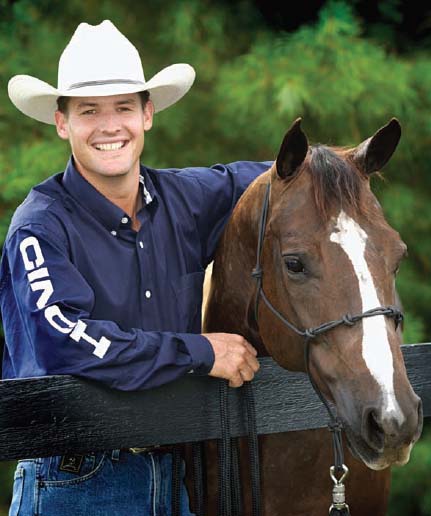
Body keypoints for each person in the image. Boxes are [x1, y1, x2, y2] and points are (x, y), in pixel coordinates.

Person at [1, 20, 270, 516]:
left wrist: (338, 169)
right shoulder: (38, 228)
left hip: (177, 475)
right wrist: (198, 352)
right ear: (62, 123)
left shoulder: (186, 198)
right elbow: (68, 345)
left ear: (147, 114)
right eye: (89, 111)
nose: (109, 126)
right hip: (76, 482)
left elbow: (280, 183)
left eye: (124, 107)